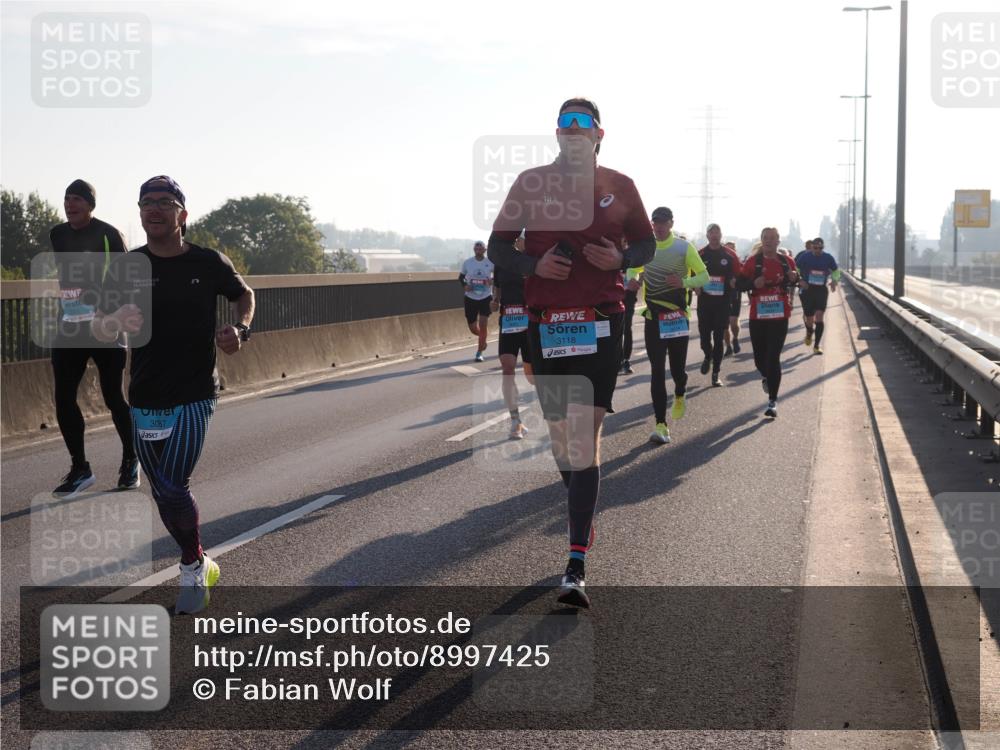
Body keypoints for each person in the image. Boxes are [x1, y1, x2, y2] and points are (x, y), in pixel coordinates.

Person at [488, 97, 655, 608]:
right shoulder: (530, 183)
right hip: (548, 326)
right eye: (566, 124)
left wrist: (622, 257)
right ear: (556, 134)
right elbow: (497, 247)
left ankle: (575, 562)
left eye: (584, 125)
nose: (575, 132)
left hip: (602, 323)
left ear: (600, 135)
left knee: (584, 438)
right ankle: (580, 504)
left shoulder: (620, 186)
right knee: (563, 440)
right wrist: (534, 267)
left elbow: (645, 246)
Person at [92, 176, 255, 615]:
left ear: (183, 214)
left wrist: (239, 330)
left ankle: (191, 570)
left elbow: (245, 296)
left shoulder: (207, 261)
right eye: (146, 202)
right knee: (163, 492)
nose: (154, 209)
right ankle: (200, 560)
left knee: (171, 483)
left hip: (195, 391)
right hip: (144, 394)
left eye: (165, 202)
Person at [49, 179, 137, 499]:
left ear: (90, 204)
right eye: (66, 199)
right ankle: (80, 468)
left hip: (106, 326)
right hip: (71, 325)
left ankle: (131, 458)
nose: (69, 205)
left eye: (76, 199)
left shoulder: (109, 235)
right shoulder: (57, 234)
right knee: (63, 398)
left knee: (114, 396)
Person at [635, 207, 708, 444]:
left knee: (677, 370)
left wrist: (684, 282)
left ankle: (680, 391)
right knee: (657, 370)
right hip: (653, 318)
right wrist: (633, 281)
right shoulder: (646, 247)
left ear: (671, 223)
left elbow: (704, 277)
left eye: (663, 223)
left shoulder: (683, 247)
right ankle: (661, 425)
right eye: (655, 223)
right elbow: (631, 271)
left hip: (677, 317)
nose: (659, 226)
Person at [737, 228, 799, 419]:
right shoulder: (753, 262)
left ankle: (773, 400)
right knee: (759, 360)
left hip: (780, 317)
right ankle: (767, 376)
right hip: (758, 317)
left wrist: (795, 278)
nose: (769, 241)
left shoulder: (786, 261)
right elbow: (738, 284)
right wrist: (753, 283)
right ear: (761, 241)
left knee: (773, 358)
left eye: (772, 238)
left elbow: (796, 280)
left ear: (778, 241)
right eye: (766, 238)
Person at [491, 235, 534, 439]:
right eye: (518, 238)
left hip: (531, 322)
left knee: (533, 377)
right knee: (507, 368)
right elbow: (497, 287)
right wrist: (495, 300)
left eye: (523, 237)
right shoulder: (502, 263)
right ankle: (515, 421)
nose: (519, 241)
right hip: (508, 321)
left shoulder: (535, 261)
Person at [697, 223, 737, 386]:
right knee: (704, 338)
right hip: (705, 302)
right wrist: (695, 286)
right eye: (711, 232)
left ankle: (716, 373)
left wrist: (734, 282)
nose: (714, 235)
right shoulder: (700, 254)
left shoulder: (729, 255)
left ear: (721, 235)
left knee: (719, 337)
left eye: (717, 232)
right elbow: (692, 273)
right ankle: (708, 355)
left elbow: (737, 274)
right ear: (707, 236)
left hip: (722, 302)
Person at [795, 236, 841, 354]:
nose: (817, 250)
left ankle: (817, 346)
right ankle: (809, 332)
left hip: (820, 290)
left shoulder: (828, 257)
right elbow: (796, 269)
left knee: (819, 316)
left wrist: (834, 281)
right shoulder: (805, 256)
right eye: (815, 248)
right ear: (812, 247)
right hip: (807, 290)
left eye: (820, 248)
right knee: (809, 318)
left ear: (823, 247)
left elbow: (836, 271)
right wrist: (800, 280)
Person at [459, 241, 494, 362]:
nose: (478, 249)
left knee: (483, 323)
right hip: (470, 298)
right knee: (473, 328)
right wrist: (465, 286)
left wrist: (492, 280)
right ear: (474, 249)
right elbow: (461, 277)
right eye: (476, 248)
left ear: (485, 250)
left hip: (485, 297)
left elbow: (497, 276)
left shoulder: (490, 263)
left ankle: (479, 352)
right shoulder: (468, 263)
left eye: (481, 248)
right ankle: (483, 338)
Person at [722, 240, 743, 356]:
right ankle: (728, 346)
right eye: (727, 249)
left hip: (734, 294)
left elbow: (744, 276)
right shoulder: (719, 262)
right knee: (724, 324)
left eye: (732, 249)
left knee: (733, 323)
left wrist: (737, 281)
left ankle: (735, 338)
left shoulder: (738, 263)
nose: (730, 251)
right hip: (722, 296)